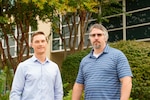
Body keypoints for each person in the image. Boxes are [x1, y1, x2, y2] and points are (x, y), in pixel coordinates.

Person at [72, 24, 133, 100]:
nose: (96, 37)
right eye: (93, 35)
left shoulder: (117, 56)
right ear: (90, 38)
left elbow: (126, 81)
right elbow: (78, 85)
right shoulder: (85, 61)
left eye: (99, 35)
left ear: (105, 37)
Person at [10, 31, 63, 100]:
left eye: (42, 41)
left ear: (46, 43)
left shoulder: (54, 67)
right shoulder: (23, 67)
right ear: (31, 44)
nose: (40, 44)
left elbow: (58, 93)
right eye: (37, 42)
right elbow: (15, 93)